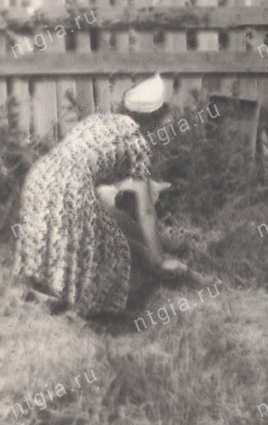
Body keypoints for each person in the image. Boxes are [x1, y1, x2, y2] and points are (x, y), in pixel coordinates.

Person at [12, 73, 188, 317]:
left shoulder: (98, 121)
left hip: (40, 175)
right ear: (153, 121)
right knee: (115, 248)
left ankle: (44, 292)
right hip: (69, 184)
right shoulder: (138, 144)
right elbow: (146, 211)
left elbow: (102, 202)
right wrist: (159, 261)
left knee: (62, 234)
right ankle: (88, 309)